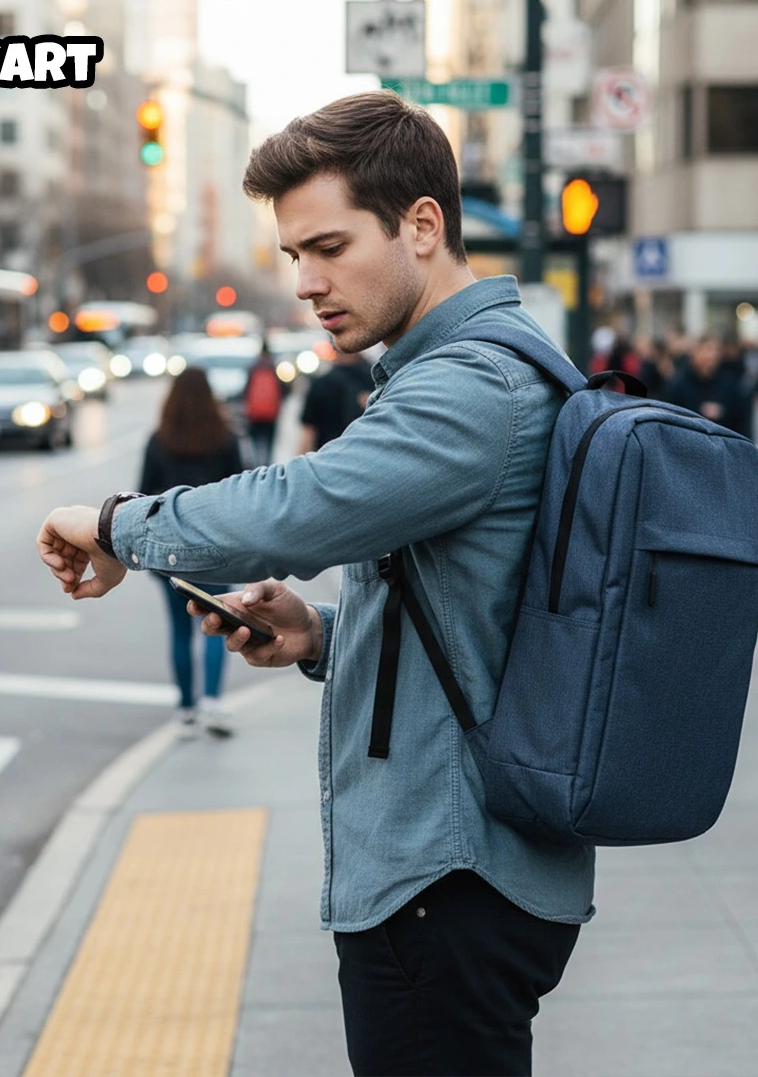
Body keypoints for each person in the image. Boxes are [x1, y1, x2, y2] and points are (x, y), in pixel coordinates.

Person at [37, 91, 588, 1076]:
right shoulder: (470, 370)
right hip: (454, 872)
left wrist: (121, 523)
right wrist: (323, 637)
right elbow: (488, 621)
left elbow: (295, 507)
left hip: (444, 877)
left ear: (423, 224)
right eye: (294, 255)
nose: (305, 282)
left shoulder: (471, 385)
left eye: (328, 246)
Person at [139, 367, 244, 736]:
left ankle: (185, 710)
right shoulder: (226, 439)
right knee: (217, 624)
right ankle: (212, 701)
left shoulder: (159, 440)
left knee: (179, 630)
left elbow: (143, 496)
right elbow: (239, 494)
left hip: (169, 551)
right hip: (214, 547)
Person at [662, 333, 751, 436]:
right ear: (693, 353)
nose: (708, 356)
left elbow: (741, 422)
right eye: (703, 350)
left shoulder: (730, 384)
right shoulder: (677, 385)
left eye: (712, 350)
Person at [298, 348, 375, 453]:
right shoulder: (375, 380)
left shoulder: (321, 383)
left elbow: (308, 434)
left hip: (327, 457)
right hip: (364, 456)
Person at [242, 343, 284, 465]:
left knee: (255, 442)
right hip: (271, 414)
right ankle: (267, 465)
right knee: (269, 443)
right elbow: (284, 390)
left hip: (254, 413)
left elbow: (246, 391)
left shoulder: (252, 369)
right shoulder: (274, 369)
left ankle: (256, 465)